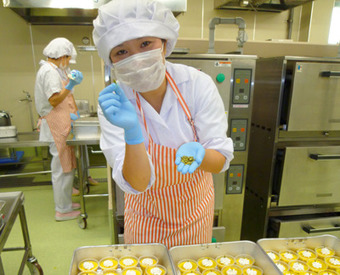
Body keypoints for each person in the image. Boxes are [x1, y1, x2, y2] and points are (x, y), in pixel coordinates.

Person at [93, 0, 234, 248]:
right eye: (122, 51)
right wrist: (132, 133)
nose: (136, 58)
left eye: (145, 44)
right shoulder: (114, 104)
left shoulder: (196, 85)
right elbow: (136, 183)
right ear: (111, 61)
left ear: (165, 44)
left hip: (194, 216)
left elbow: (220, 159)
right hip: (146, 219)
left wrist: (200, 156)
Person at [34, 37, 83, 221]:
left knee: (66, 165)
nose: (68, 62)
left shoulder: (55, 70)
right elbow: (54, 100)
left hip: (60, 122)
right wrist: (70, 85)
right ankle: (62, 210)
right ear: (61, 56)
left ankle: (66, 203)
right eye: (68, 58)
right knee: (62, 168)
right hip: (55, 123)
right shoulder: (49, 72)